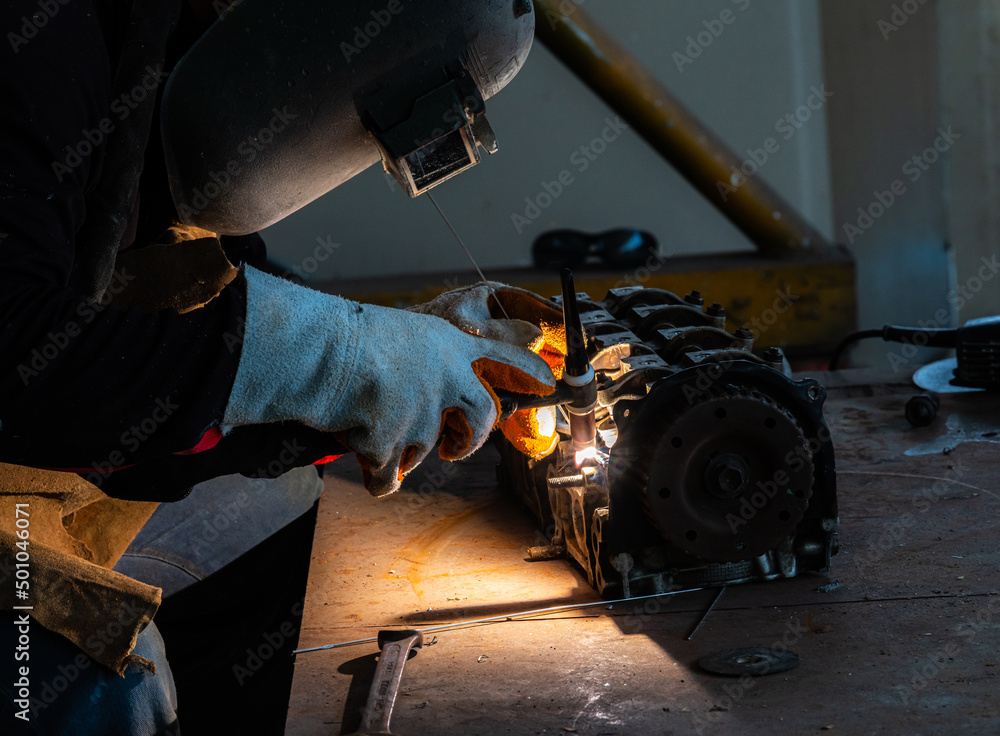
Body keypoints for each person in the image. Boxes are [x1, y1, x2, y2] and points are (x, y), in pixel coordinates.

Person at [0, 0, 562, 733]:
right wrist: (338, 358)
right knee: (99, 689)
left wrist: (387, 368)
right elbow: (23, 363)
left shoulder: (155, 54)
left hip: (42, 451)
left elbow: (166, 384)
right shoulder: (39, 40)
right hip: (23, 439)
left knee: (295, 516)